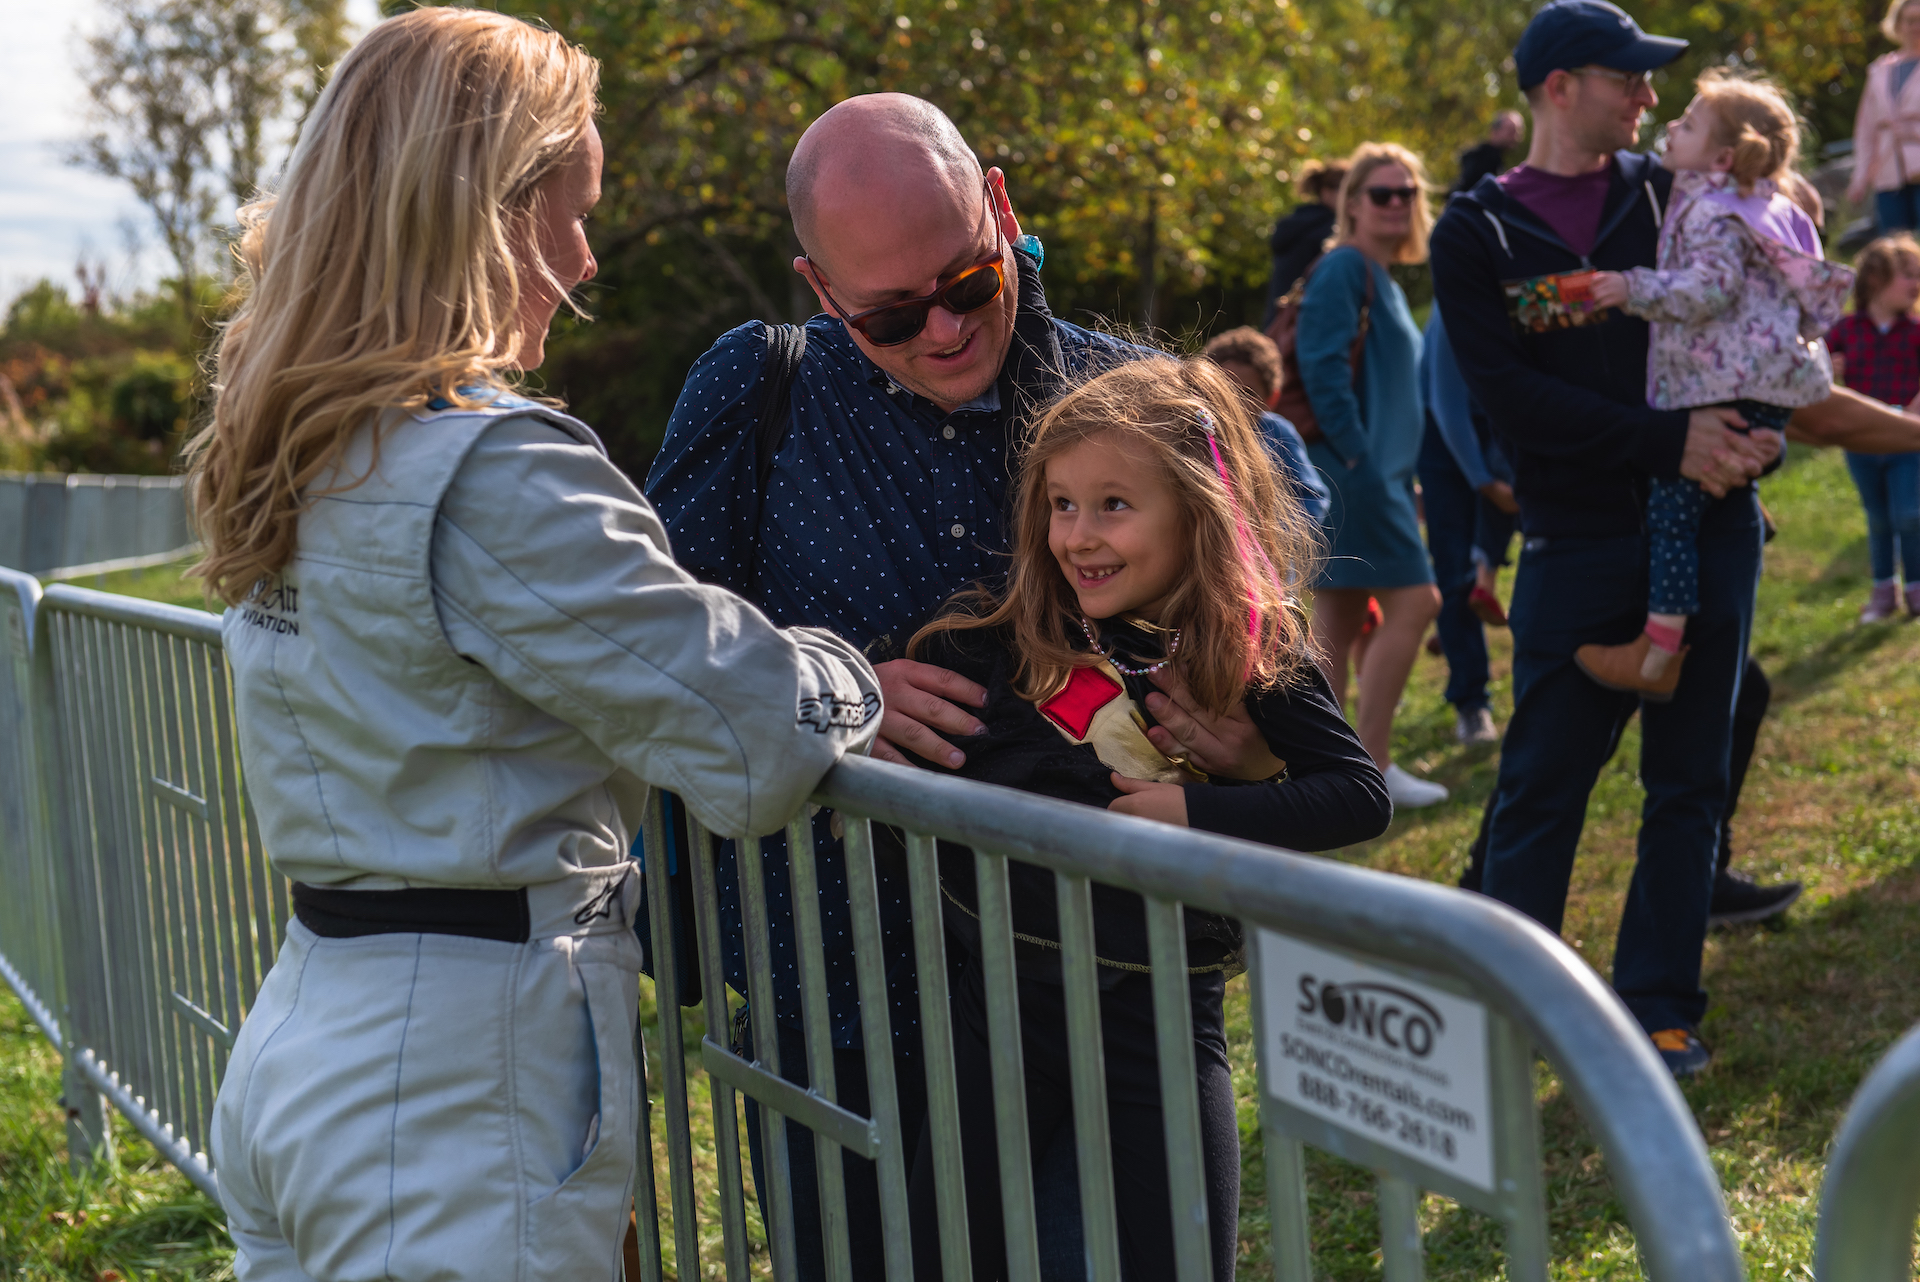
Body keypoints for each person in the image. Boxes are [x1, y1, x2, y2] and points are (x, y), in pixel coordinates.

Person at [190, 12, 882, 1280]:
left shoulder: (302, 446)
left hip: (307, 1036)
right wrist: (852, 667)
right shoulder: (489, 463)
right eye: (570, 211)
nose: (586, 258)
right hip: (453, 1090)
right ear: (484, 214)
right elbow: (752, 734)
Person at [645, 93, 1286, 1279]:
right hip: (848, 1002)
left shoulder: (1140, 401)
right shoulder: (760, 390)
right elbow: (652, 652)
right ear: (821, 288)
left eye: (967, 284)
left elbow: (1270, 654)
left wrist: (1239, 726)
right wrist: (830, 689)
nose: (941, 330)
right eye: (890, 314)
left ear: (1000, 206)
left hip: (1122, 988)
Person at [896, 355, 1390, 1282]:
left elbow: (1357, 795)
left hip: (1161, 1015)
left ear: (1199, 511)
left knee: (1182, 1257)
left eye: (1115, 505)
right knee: (947, 1252)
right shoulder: (1002, 636)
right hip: (1003, 1005)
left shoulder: (1253, 647)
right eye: (1061, 504)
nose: (1077, 536)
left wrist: (1193, 809)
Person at [1430, 0, 1783, 1077]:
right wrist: (1664, 443)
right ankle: (1515, 1009)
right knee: (1543, 782)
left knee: (1691, 780)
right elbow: (1510, 397)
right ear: (1557, 88)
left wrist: (1751, 438)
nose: (1650, 96)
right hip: (1577, 543)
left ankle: (1659, 1009)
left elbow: (1756, 316)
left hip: (1713, 529)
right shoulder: (1477, 230)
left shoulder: (1680, 194)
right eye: (1627, 77)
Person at [1578, 72, 1851, 693]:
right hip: (1764, 380)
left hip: (1734, 383)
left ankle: (1659, 650)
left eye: (1690, 123)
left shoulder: (1711, 209)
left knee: (1674, 510)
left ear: (1724, 156)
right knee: (1704, 492)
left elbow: (1712, 287)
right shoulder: (1753, 201)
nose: (1671, 126)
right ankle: (1669, 639)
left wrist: (1634, 287)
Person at [1299, 142, 1448, 809]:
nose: (1397, 205)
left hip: (1370, 475)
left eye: (1408, 193)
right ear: (1352, 203)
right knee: (1418, 602)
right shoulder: (1345, 268)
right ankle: (1374, 764)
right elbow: (1322, 366)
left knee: (1340, 620)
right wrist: (1361, 456)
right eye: (1382, 194)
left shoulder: (1378, 275)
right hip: (1355, 477)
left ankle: (1324, 773)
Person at [1417, 304, 1518, 744]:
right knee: (1454, 567)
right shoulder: (1450, 312)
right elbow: (1448, 405)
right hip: (1444, 433)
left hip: (1502, 421)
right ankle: (1472, 703)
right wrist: (1483, 481)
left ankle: (1481, 581)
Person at [1827, 232, 1920, 620]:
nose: (1916, 285)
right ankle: (1884, 590)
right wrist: (1828, 370)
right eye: (1907, 275)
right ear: (1875, 281)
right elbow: (1816, 366)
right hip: (1861, 440)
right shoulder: (1846, 330)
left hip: (1905, 438)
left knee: (1910, 514)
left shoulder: (1916, 331)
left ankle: (1916, 588)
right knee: (1878, 517)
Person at [1201, 325, 1333, 523]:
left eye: (1248, 393)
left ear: (1270, 399)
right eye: (1224, 387)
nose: (1234, 400)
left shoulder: (1277, 433)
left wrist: (1280, 537)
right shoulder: (1197, 428)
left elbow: (1312, 496)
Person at [1849, 0, 1920, 232]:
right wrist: (1860, 177)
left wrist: (1914, 131)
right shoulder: (1879, 70)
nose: (1916, 26)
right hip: (1888, 173)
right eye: (1910, 20)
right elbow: (1866, 129)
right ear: (1898, 24)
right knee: (1895, 251)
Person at [1263, 159, 1348, 324]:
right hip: (1307, 325)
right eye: (1348, 190)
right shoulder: (1330, 230)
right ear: (1326, 192)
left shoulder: (1297, 221)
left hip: (1279, 323)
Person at [1455, 109, 1527, 193]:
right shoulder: (1479, 157)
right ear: (1494, 131)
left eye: (1518, 133)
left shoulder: (1496, 159)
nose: (1515, 137)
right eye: (1510, 131)